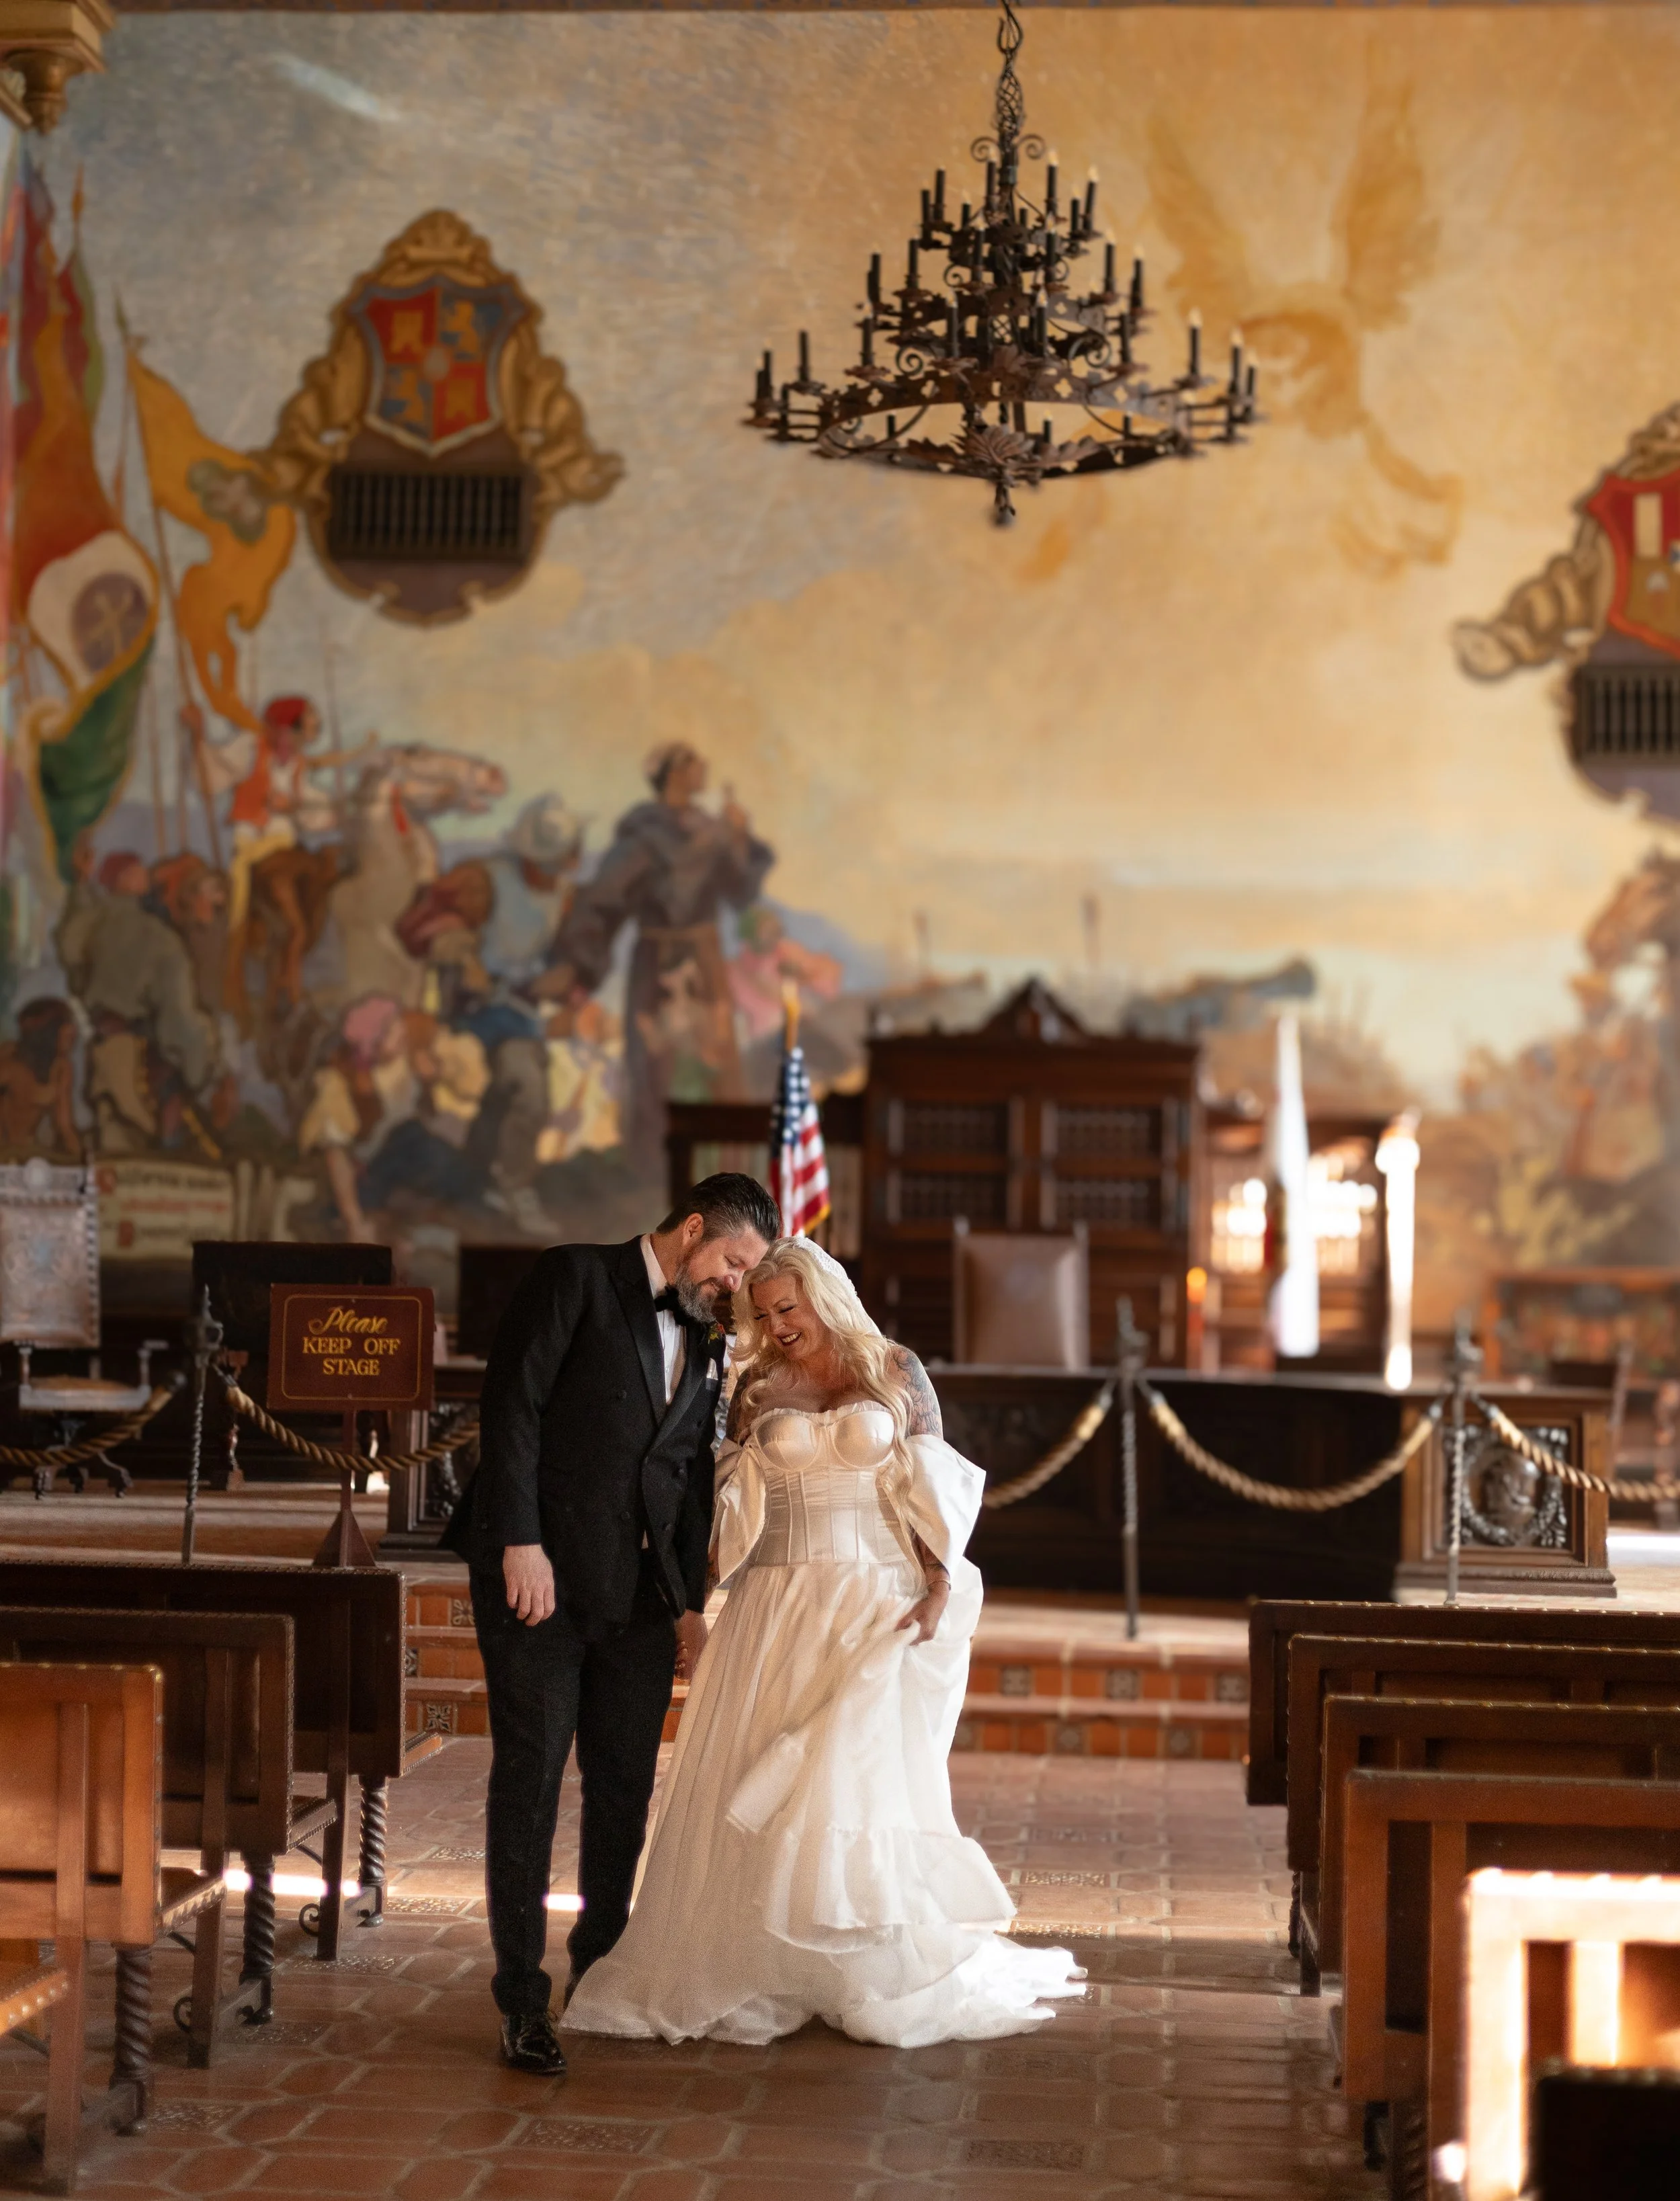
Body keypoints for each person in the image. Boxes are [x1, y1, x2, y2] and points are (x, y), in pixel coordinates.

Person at [563, 1237, 1085, 2048]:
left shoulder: (894, 1368)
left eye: (787, 1308)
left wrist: (939, 1585)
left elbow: (931, 1481)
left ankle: (861, 1967)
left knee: (854, 1779)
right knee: (764, 1768)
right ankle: (763, 1961)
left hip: (875, 1600)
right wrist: (690, 1604)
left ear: (822, 1297)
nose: (777, 1324)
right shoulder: (753, 1386)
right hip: (776, 1603)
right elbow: (723, 1503)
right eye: (762, 1313)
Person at [440, 1172, 780, 2075]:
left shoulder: (709, 1336)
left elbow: (691, 1476)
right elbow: (510, 1409)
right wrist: (519, 1540)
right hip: (538, 1585)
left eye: (749, 1274)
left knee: (624, 1787)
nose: (738, 1284)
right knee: (534, 1781)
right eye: (735, 1261)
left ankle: (598, 1963)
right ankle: (522, 1997)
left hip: (639, 1598)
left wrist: (691, 1601)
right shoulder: (575, 1278)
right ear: (696, 1227)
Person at [534, 743, 773, 1169]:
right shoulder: (645, 835)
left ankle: (726, 1173)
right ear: (675, 773)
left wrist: (741, 838)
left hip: (704, 961)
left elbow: (740, 893)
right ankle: (651, 1170)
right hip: (657, 962)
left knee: (715, 1058)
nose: (704, 768)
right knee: (654, 1065)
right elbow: (604, 899)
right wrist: (576, 965)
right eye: (694, 762)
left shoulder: (715, 831)